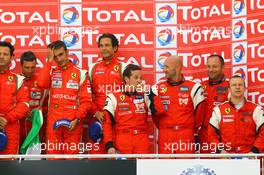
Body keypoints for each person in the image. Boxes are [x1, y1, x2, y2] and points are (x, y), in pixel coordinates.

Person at [37, 40, 92, 156]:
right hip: (53, 121)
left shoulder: (81, 73)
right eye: (55, 57)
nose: (59, 59)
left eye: (61, 54)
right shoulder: (51, 71)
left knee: (71, 159)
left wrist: (77, 119)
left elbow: (86, 101)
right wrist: (49, 61)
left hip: (73, 122)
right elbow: (41, 83)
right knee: (53, 158)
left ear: (67, 52)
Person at [151, 55, 206, 154]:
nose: (164, 70)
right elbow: (155, 116)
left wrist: (187, 128)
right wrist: (166, 127)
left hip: (185, 135)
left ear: (177, 68)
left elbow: (199, 116)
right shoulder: (156, 88)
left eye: (167, 67)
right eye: (164, 67)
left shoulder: (194, 88)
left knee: (186, 167)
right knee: (166, 168)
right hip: (165, 134)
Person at [103, 64, 162, 154]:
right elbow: (107, 123)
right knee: (124, 168)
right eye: (136, 78)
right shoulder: (113, 97)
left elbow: (159, 110)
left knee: (142, 168)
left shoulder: (145, 95)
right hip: (123, 140)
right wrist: (109, 145)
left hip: (141, 140)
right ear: (126, 79)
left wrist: (148, 92)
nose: (139, 81)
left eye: (140, 78)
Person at [88, 33, 126, 154]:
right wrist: (95, 112)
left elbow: (129, 96)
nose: (104, 48)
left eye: (107, 45)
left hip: (117, 122)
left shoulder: (123, 67)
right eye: (101, 45)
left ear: (115, 48)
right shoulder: (92, 68)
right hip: (98, 120)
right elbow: (87, 95)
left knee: (118, 160)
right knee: (97, 161)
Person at [208, 75, 264, 153]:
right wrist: (220, 151)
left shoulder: (256, 109)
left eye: (240, 85)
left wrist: (254, 151)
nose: (237, 87)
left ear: (245, 88)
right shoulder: (218, 110)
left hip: (249, 156)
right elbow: (211, 134)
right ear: (229, 89)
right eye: (234, 85)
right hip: (226, 156)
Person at [0, 41, 30, 155]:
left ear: (12, 57)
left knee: (9, 164)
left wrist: (7, 119)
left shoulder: (18, 80)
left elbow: (25, 105)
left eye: (5, 54)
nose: (1, 56)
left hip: (10, 127)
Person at [19, 51, 48, 150]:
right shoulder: (16, 80)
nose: (30, 70)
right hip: (18, 127)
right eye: (27, 67)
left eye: (33, 67)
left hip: (36, 127)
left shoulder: (41, 82)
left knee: (35, 158)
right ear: (21, 66)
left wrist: (39, 111)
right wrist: (21, 112)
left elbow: (48, 105)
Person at [200, 54, 229, 153]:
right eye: (208, 66)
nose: (211, 69)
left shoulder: (231, 86)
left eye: (215, 66)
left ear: (223, 67)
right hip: (204, 136)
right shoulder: (200, 86)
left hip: (222, 135)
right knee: (205, 167)